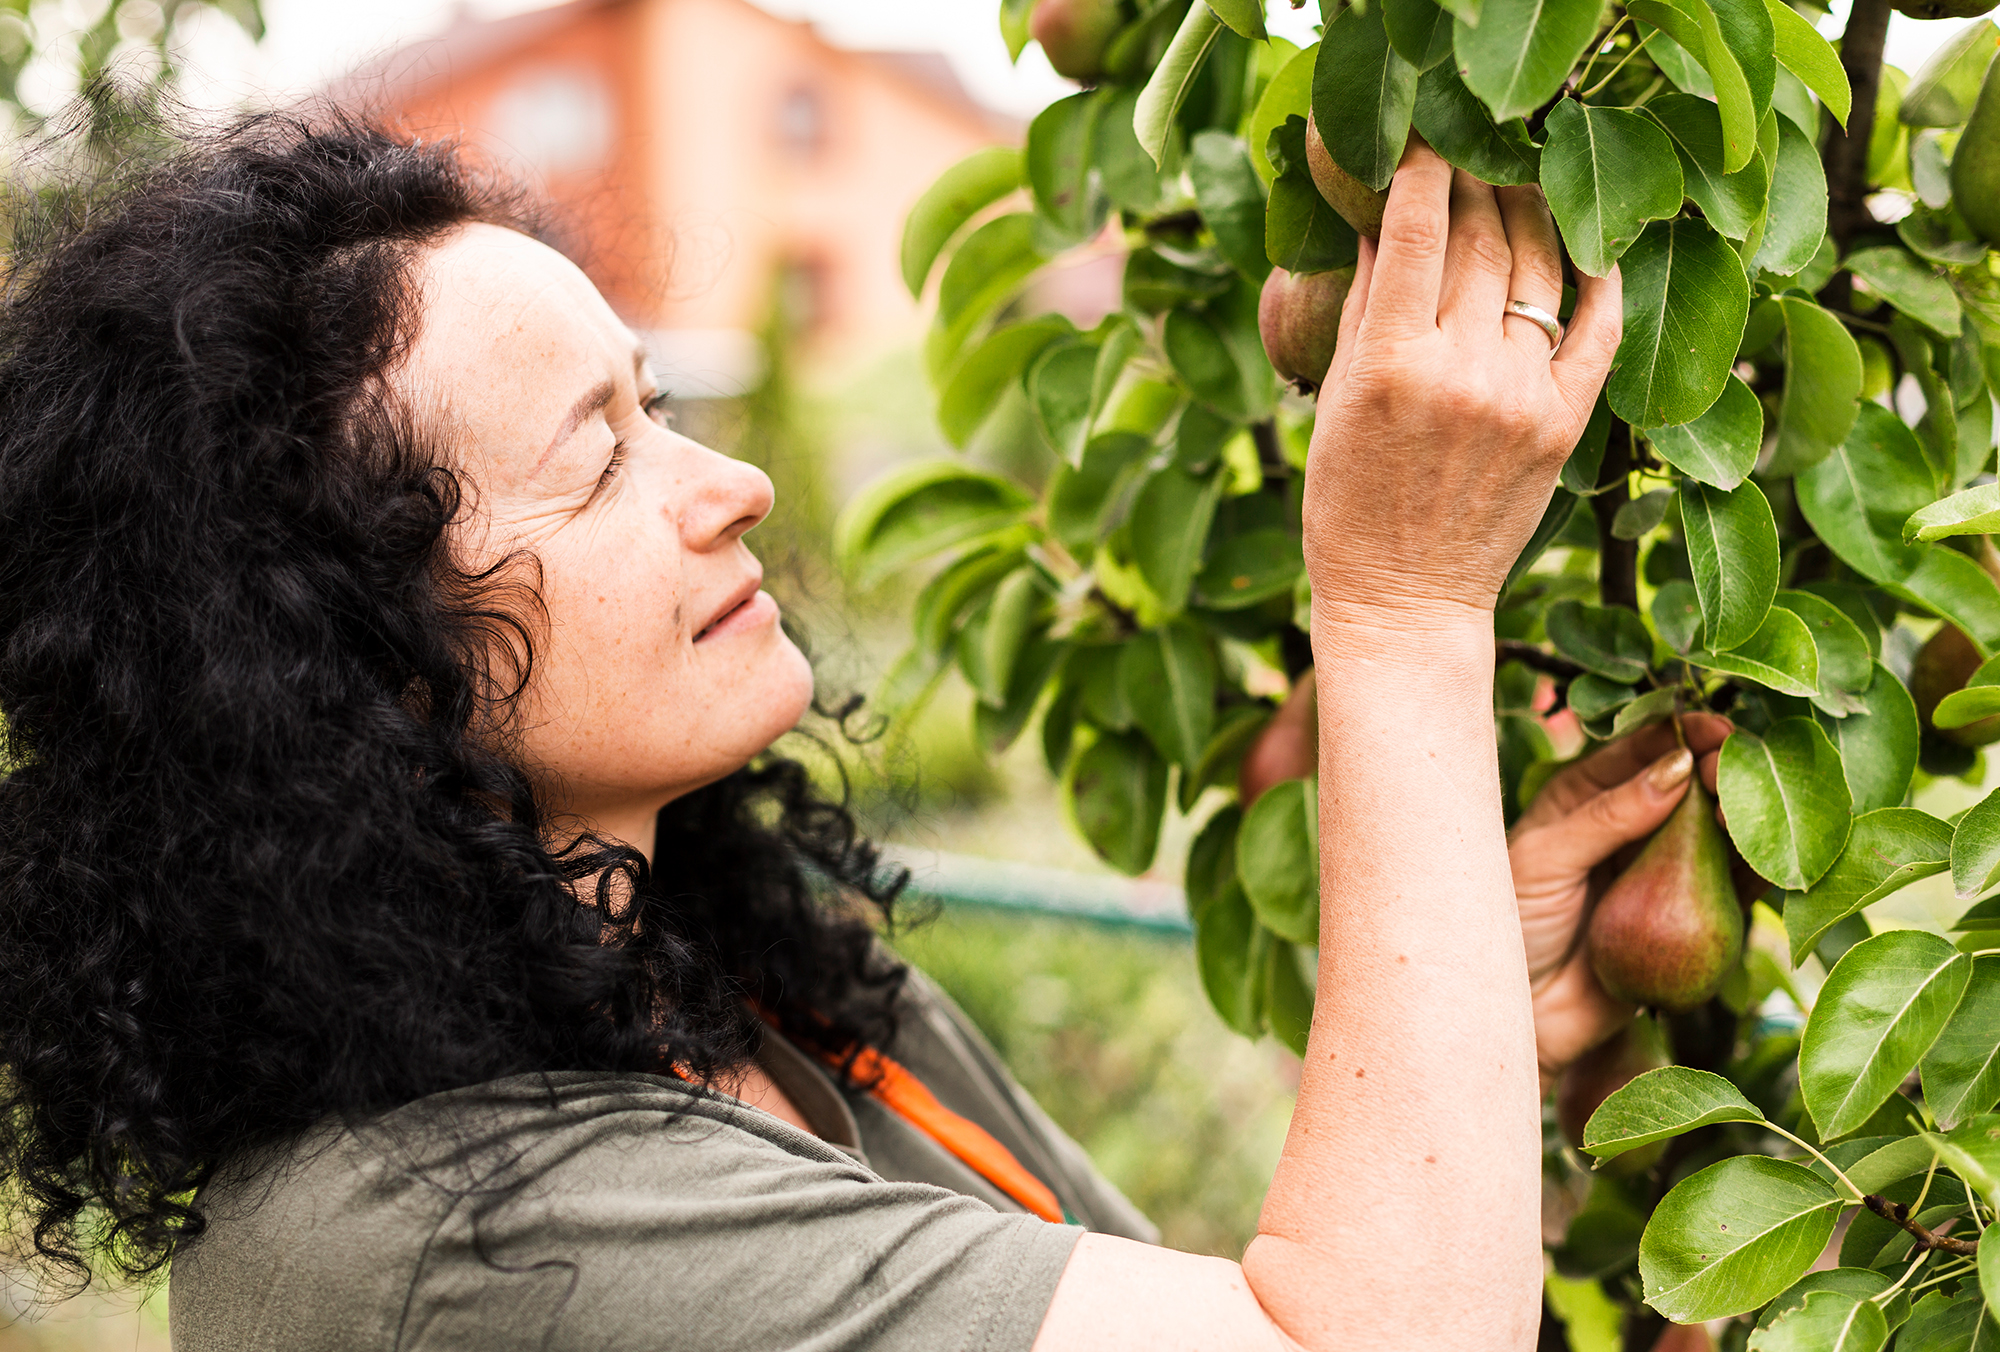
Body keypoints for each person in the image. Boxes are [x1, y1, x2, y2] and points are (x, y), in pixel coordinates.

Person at [0, 111, 1739, 1351]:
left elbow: (1232, 1316)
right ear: (356, 659)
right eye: (597, 459)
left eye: (658, 408)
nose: (737, 485)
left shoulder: (733, 986)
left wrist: (1477, 1007)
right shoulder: (462, 1240)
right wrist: (1403, 607)